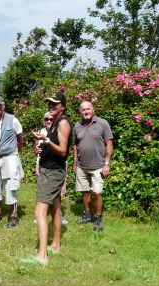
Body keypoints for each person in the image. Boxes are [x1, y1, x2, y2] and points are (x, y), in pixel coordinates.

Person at [23, 92, 72, 265]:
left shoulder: (63, 123)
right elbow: (53, 148)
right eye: (49, 104)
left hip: (52, 173)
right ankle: (56, 245)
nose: (51, 106)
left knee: (39, 211)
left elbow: (63, 151)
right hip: (51, 169)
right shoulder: (56, 122)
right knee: (54, 209)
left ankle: (42, 256)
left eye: (55, 104)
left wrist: (46, 140)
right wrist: (40, 148)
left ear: (63, 106)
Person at [73, 101, 113, 232]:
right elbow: (75, 145)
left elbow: (109, 144)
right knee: (84, 192)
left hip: (98, 166)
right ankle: (87, 214)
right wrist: (75, 163)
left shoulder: (103, 123)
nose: (86, 111)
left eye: (88, 109)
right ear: (80, 112)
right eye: (83, 110)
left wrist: (106, 164)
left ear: (93, 110)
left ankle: (98, 218)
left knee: (96, 193)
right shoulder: (77, 125)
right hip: (82, 165)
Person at [0, 95, 24, 228]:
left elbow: (20, 139)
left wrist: (15, 153)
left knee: (10, 185)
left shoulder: (13, 120)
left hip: (9, 157)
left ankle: (13, 215)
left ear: (3, 106)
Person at [33, 112, 68, 225]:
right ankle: (41, 212)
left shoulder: (60, 130)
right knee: (42, 189)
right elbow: (35, 148)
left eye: (51, 119)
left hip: (56, 166)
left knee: (57, 192)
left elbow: (64, 150)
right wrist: (36, 150)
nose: (48, 121)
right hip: (41, 165)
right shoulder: (41, 132)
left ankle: (58, 213)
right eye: (46, 119)